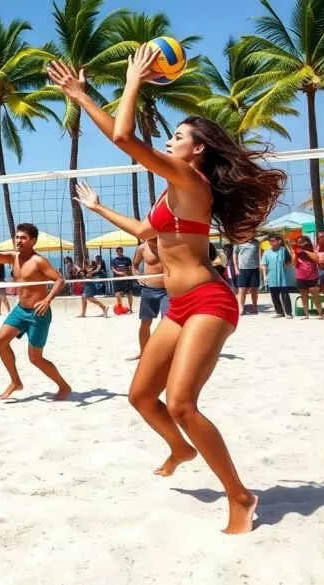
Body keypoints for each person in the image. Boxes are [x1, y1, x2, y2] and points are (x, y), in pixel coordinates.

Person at [49, 44, 285, 534]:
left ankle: (240, 497)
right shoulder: (171, 189)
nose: (173, 140)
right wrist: (98, 210)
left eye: (179, 135)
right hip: (179, 305)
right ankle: (180, 448)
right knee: (139, 396)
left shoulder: (188, 176)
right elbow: (144, 233)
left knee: (180, 402)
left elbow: (123, 135)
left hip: (209, 301)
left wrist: (126, 80)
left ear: (197, 149)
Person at [0, 214, 71, 401]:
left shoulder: (39, 261)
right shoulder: (13, 257)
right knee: (1, 340)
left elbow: (60, 280)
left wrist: (47, 299)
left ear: (32, 241)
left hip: (38, 313)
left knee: (35, 358)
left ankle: (64, 386)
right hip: (20, 310)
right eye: (17, 237)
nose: (18, 240)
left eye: (22, 238)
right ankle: (15, 382)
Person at [129, 239, 168, 360]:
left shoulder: (167, 243)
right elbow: (134, 266)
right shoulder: (142, 248)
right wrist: (138, 276)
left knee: (167, 322)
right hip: (149, 290)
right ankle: (143, 352)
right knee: (145, 323)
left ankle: (166, 352)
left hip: (168, 290)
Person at [232, 236, 261, 314]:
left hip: (254, 269)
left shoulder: (256, 242)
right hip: (242, 269)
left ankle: (254, 307)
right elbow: (235, 255)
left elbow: (259, 254)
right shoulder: (237, 242)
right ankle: (241, 308)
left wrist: (260, 265)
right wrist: (236, 267)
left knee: (254, 289)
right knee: (242, 290)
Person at [111, 247, 135, 312]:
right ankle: (120, 307)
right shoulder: (114, 260)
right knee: (117, 294)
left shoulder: (127, 259)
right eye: (118, 251)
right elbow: (113, 269)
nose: (119, 252)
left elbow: (130, 268)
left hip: (126, 279)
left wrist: (127, 274)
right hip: (117, 279)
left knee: (129, 293)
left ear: (122, 251)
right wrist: (118, 273)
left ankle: (131, 308)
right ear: (116, 252)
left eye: (120, 251)